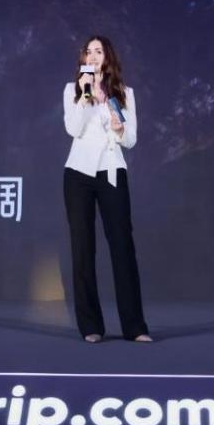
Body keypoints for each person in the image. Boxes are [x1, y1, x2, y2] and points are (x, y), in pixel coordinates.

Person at [63, 35, 152, 344]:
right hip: (78, 175)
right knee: (83, 248)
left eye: (98, 51)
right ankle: (90, 326)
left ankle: (135, 326)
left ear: (108, 57)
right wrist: (85, 94)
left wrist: (120, 128)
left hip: (112, 172)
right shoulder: (73, 90)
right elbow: (73, 129)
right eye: (88, 51)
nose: (93, 55)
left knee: (123, 247)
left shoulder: (125, 93)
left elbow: (131, 140)